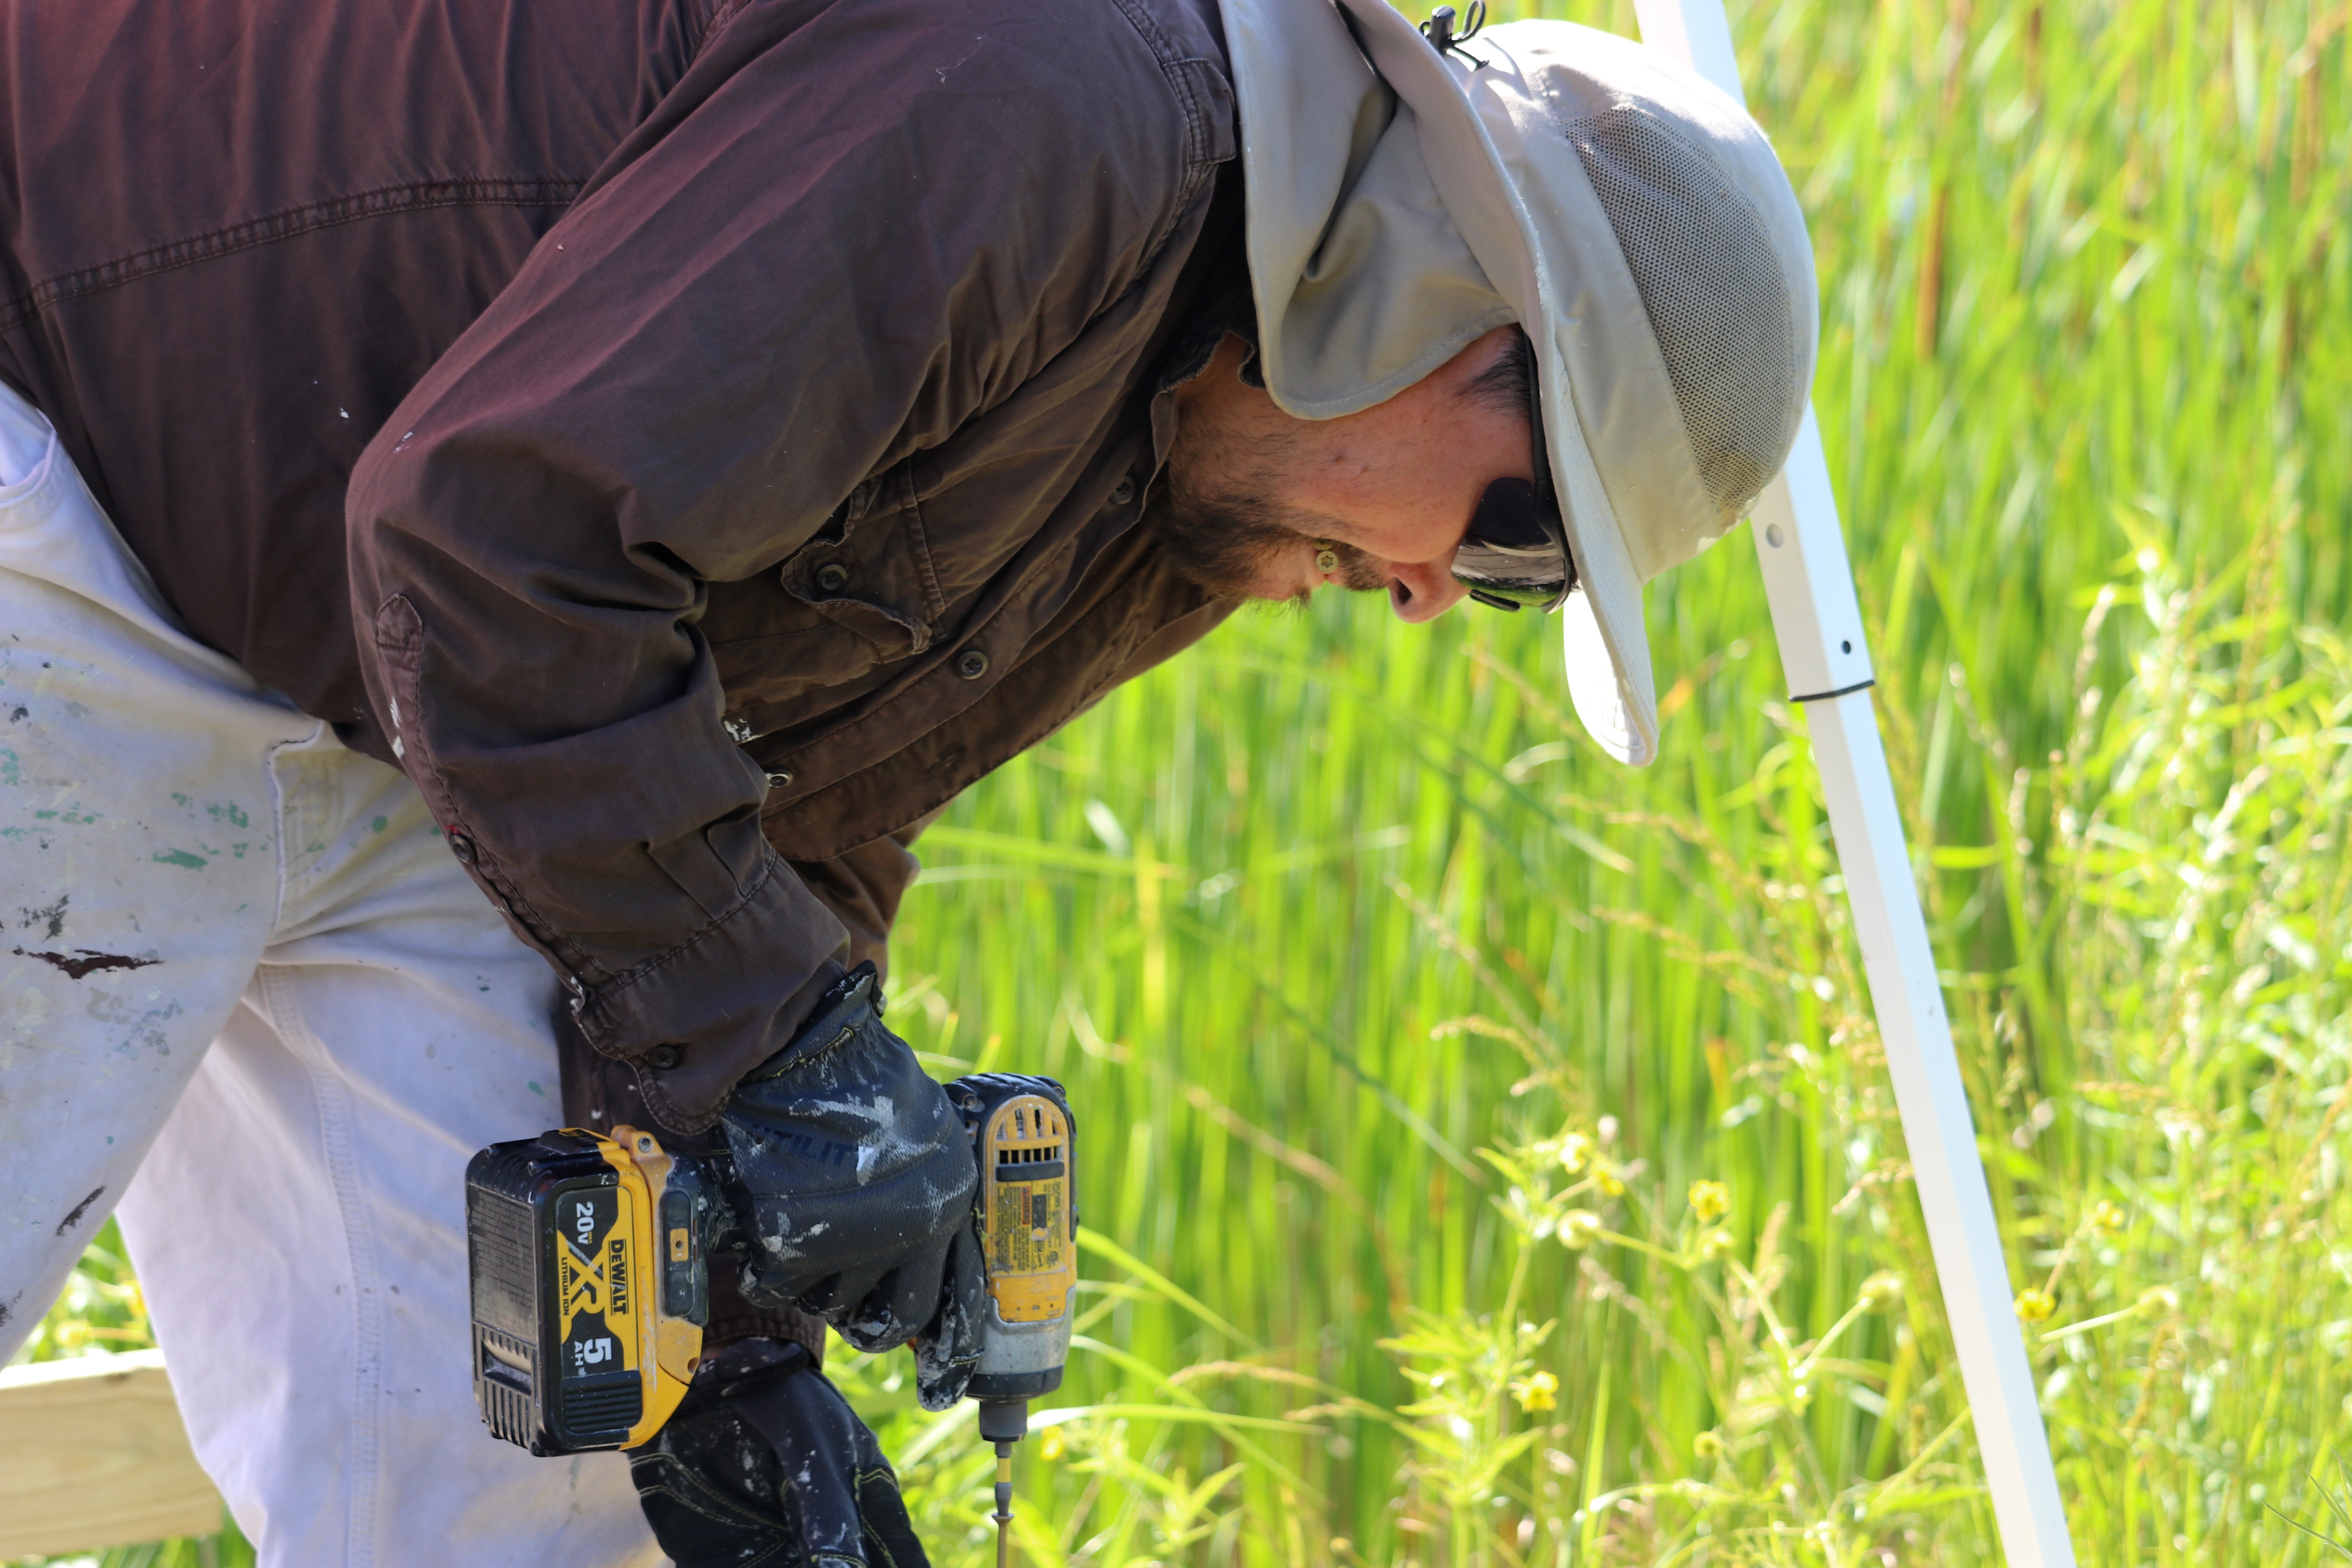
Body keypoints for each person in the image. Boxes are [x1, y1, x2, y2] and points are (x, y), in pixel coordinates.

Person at [0, 0, 1816, 1559]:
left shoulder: (1209, 492)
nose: (1438, 599)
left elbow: (783, 807)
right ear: (1465, 322)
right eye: (1518, 546)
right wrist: (784, 1057)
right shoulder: (1058, 106)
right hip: (79, 477)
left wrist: (746, 1334)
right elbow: (496, 541)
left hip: (391, 668)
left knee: (549, 1476)